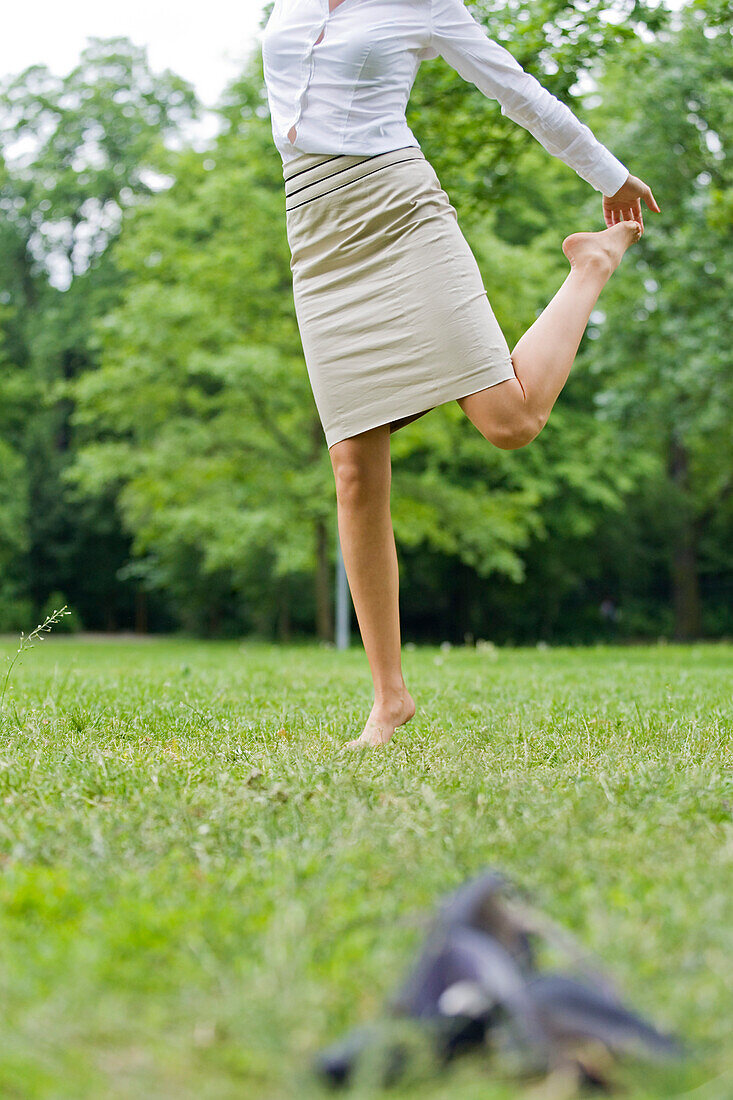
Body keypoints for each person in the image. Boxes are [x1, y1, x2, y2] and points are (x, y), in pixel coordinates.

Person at [260, 0, 660, 748]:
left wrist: (606, 172)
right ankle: (388, 701)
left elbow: (516, 92)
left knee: (509, 422)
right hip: (314, 234)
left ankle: (592, 262)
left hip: (398, 212)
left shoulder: (423, 5)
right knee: (352, 464)